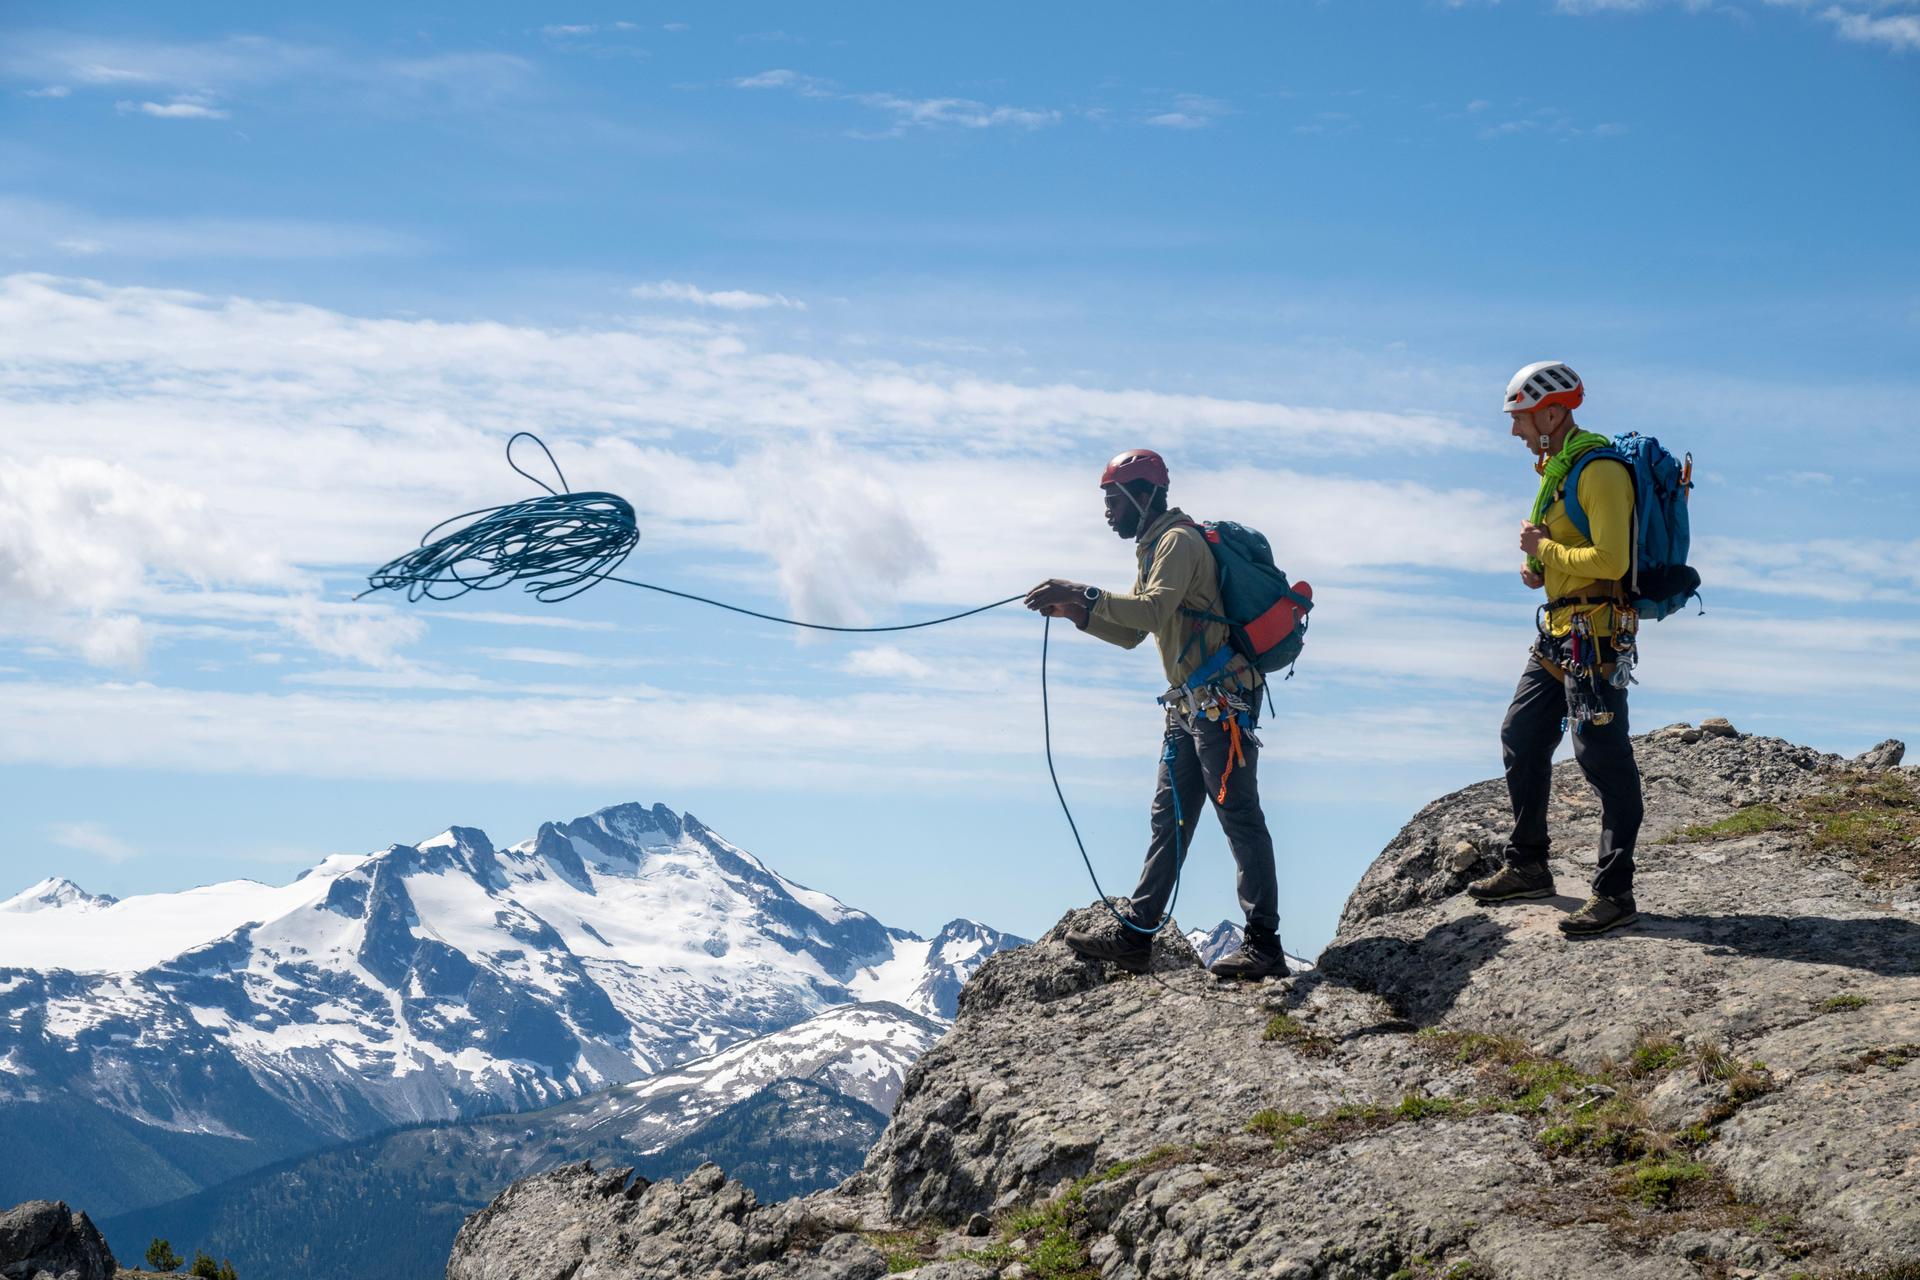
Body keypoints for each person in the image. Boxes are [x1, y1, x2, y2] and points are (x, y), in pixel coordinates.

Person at [1024, 449, 1288, 979]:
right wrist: (1079, 612)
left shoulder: (1178, 542)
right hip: (1194, 704)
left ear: (1141, 497)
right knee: (1169, 820)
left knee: (1237, 816)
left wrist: (1083, 592)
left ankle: (1264, 943)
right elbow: (1134, 632)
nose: (1106, 511)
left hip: (1220, 703)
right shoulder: (1155, 544)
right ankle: (1137, 936)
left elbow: (1149, 611)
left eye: (1111, 500)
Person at [1468, 362, 1645, 936]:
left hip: (1594, 639)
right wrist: (1540, 563)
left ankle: (1615, 893)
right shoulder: (1559, 471)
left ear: (1551, 413)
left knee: (1603, 758)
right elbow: (1567, 554)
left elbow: (1612, 561)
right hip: (1560, 634)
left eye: (1519, 418)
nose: (1515, 431)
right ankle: (1529, 864)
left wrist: (1547, 550)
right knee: (1521, 736)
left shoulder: (1599, 471)